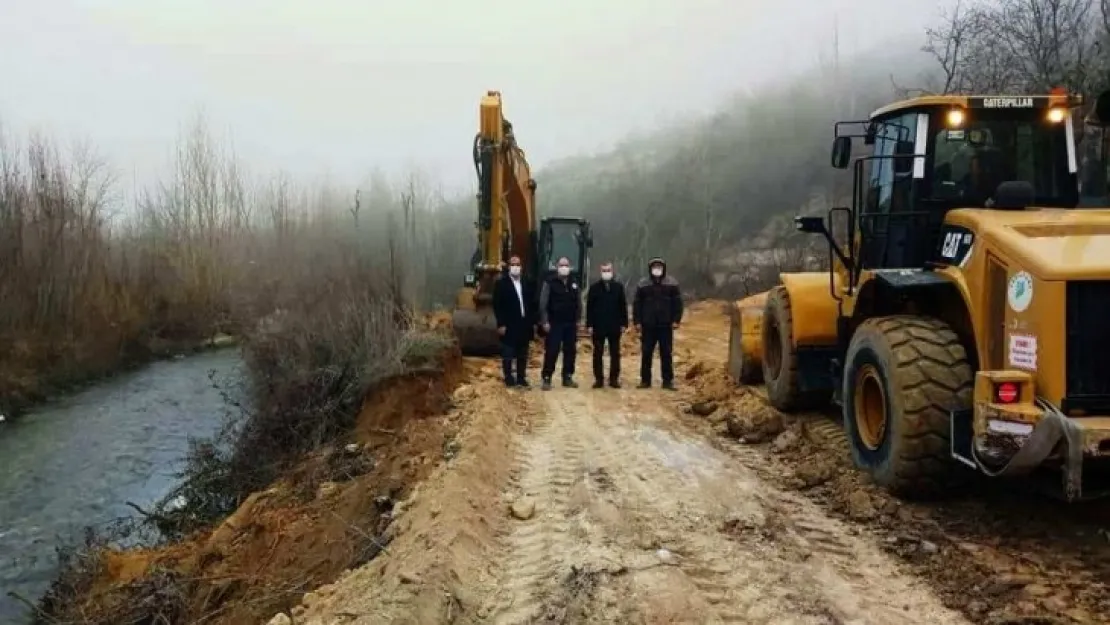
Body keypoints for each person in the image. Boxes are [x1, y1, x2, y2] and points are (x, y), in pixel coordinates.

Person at [633, 257, 683, 390]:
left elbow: (678, 304)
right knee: (646, 352)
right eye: (654, 266)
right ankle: (645, 380)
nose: (657, 269)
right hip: (648, 325)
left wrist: (676, 320)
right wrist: (637, 321)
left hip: (665, 325)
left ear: (664, 268)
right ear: (650, 269)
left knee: (666, 353)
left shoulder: (672, 284)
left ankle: (667, 381)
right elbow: (637, 304)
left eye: (659, 267)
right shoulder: (643, 284)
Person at [539, 256, 580, 390]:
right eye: (562, 265)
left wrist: (579, 320)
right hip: (554, 323)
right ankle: (547, 377)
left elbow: (579, 303)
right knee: (552, 350)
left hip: (570, 323)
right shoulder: (550, 282)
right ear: (557, 267)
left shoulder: (574, 282)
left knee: (570, 351)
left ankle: (567, 376)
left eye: (566, 265)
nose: (564, 268)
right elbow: (543, 304)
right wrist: (545, 321)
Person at [493, 255, 534, 388]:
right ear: (509, 267)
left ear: (521, 267)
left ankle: (521, 377)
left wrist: (532, 322)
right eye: (513, 264)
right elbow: (497, 305)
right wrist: (501, 323)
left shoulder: (526, 282)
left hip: (524, 323)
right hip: (509, 323)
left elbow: (531, 303)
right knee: (508, 353)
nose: (515, 267)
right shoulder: (501, 284)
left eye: (518, 264)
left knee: (523, 352)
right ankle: (509, 377)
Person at [585, 262, 628, 388]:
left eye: (608, 270)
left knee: (615, 353)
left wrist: (624, 323)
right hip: (598, 325)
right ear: (600, 271)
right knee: (597, 353)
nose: (606, 272)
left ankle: (614, 378)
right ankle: (599, 379)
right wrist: (589, 324)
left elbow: (622, 306)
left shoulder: (618, 287)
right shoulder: (594, 288)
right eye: (604, 270)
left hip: (614, 325)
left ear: (612, 271)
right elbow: (590, 308)